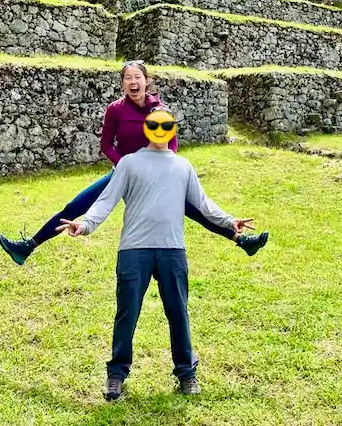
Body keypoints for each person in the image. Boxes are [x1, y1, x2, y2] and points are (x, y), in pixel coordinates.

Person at [58, 108, 249, 399]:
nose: (160, 129)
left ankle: (186, 374)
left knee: (178, 313)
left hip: (172, 250)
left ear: (172, 130)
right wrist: (85, 224)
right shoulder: (130, 164)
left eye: (166, 125)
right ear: (146, 128)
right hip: (134, 250)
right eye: (154, 124)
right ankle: (116, 375)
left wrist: (228, 220)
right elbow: (105, 201)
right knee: (127, 313)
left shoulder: (183, 166)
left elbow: (203, 203)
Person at [0, 60, 268, 264]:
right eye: (127, 78)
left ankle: (241, 240)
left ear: (146, 81)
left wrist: (164, 164)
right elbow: (106, 144)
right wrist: (123, 165)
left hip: (158, 172)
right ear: (123, 84)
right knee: (77, 205)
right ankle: (28, 246)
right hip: (124, 173)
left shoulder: (159, 110)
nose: (132, 81)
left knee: (192, 208)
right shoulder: (115, 110)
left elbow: (172, 143)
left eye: (137, 76)